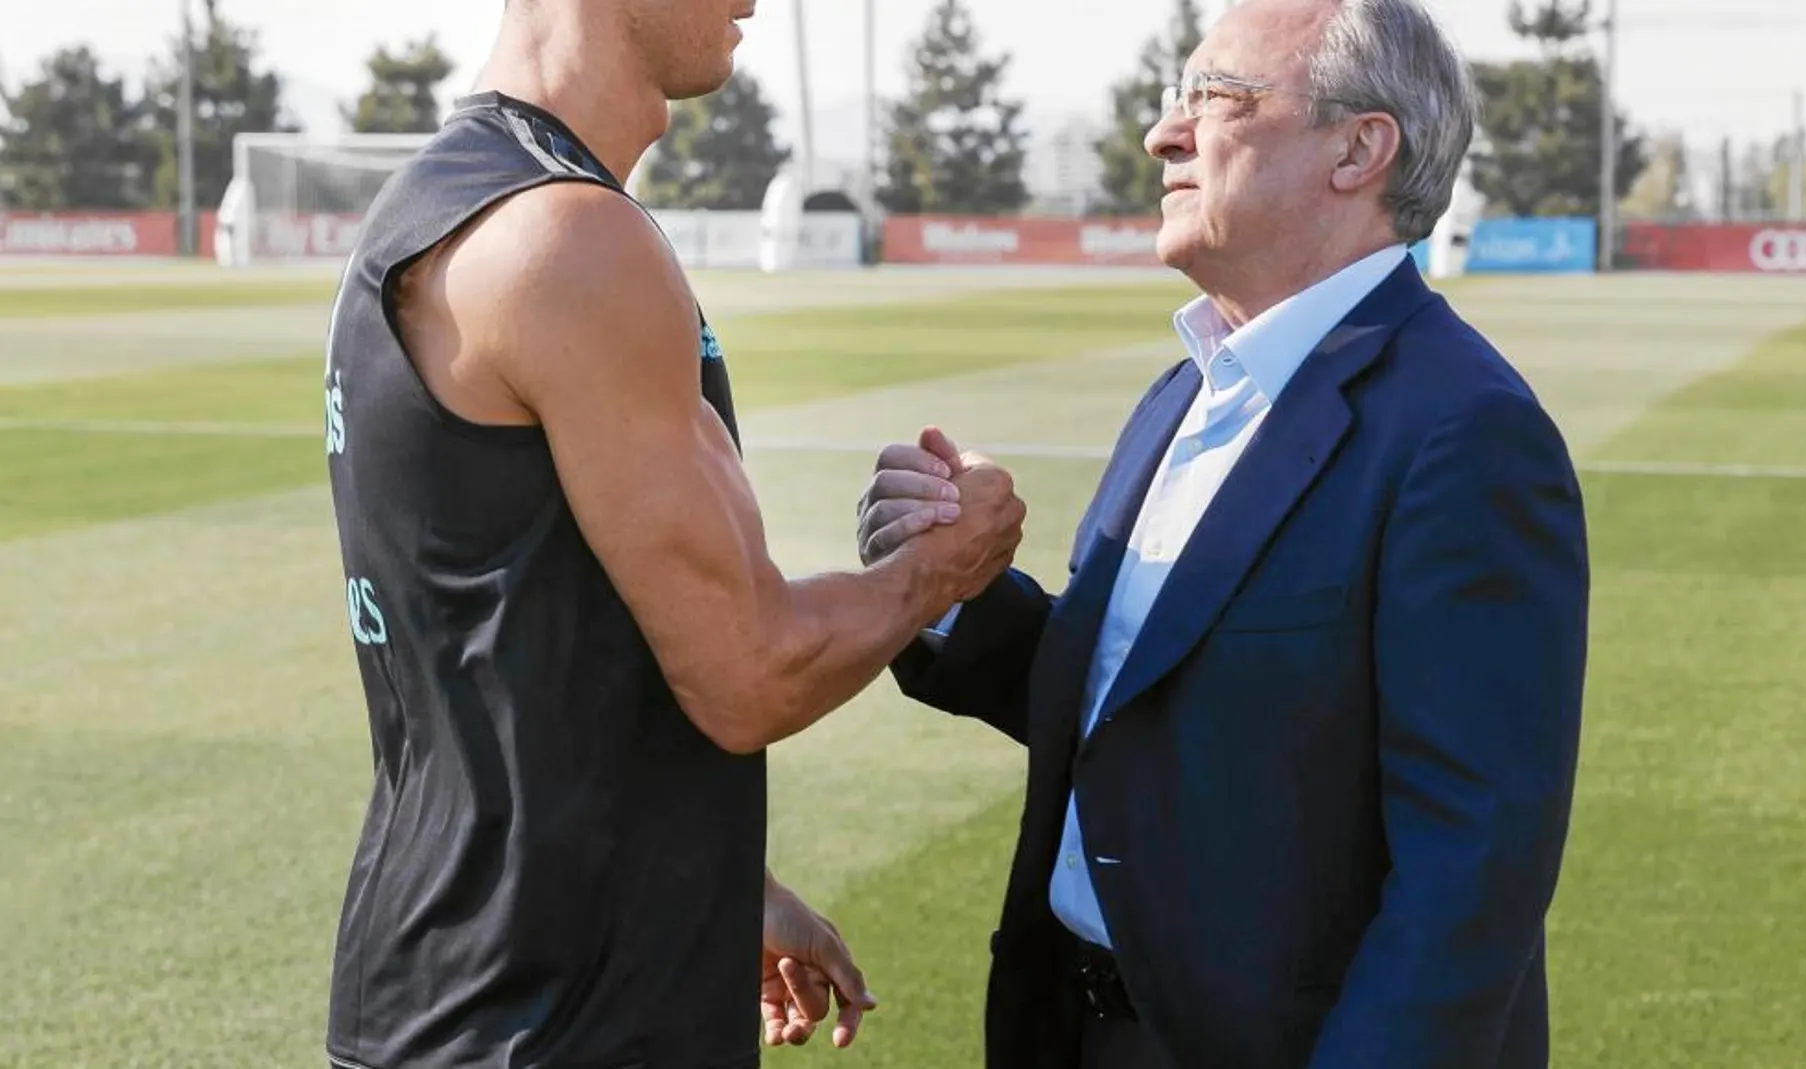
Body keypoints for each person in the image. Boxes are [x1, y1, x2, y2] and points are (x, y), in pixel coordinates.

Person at [857, 0, 1591, 1066]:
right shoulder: (1187, 391)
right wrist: (952, 584)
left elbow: (1472, 871)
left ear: (1357, 147)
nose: (1163, 134)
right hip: (1082, 1027)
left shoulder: (1465, 434)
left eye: (1212, 98)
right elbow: (1145, 706)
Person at [318, 1, 1026, 1067]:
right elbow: (748, 670)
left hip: (473, 986)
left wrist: (720, 883)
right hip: (547, 1020)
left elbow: (531, 645)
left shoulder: (451, 202)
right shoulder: (565, 236)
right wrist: (942, 565)